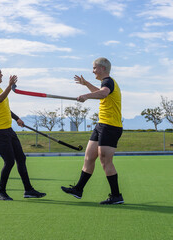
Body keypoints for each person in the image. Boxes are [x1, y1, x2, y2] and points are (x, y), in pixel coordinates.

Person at [61, 57, 124, 204]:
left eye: (95, 68)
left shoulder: (108, 82)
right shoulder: (105, 85)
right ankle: (78, 189)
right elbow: (100, 93)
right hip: (101, 125)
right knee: (89, 157)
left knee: (105, 160)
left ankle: (116, 196)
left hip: (111, 127)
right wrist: (86, 85)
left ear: (103, 68)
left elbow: (102, 93)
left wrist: (85, 96)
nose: (93, 71)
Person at [0, 66, 46, 201]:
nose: (1, 74)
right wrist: (9, 86)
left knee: (21, 158)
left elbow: (5, 108)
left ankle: (28, 190)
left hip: (8, 130)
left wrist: (17, 118)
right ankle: (0, 192)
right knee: (9, 161)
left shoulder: (0, 90)